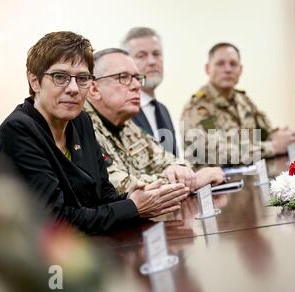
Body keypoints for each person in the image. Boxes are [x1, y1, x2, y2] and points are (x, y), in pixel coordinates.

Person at [0, 32, 188, 234]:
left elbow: (102, 196)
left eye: (82, 78)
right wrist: (132, 207)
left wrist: (134, 198)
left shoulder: (81, 120)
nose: (74, 89)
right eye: (60, 77)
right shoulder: (19, 130)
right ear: (35, 81)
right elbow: (55, 223)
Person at [85, 48, 225, 194]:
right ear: (94, 88)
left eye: (137, 78)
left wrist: (181, 171)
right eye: (124, 77)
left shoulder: (126, 124)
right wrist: (191, 180)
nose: (137, 86)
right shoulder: (79, 127)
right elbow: (117, 187)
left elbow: (166, 160)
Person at [181, 42, 295, 166]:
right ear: (207, 68)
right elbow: (214, 153)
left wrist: (282, 137)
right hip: (217, 183)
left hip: (254, 178)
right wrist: (272, 147)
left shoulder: (244, 101)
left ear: (240, 70)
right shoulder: (197, 108)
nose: (227, 69)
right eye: (220, 64)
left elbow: (265, 133)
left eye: (233, 64)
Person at [122, 27, 178, 156]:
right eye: (141, 56)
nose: (152, 61)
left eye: (156, 54)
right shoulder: (122, 111)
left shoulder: (163, 110)